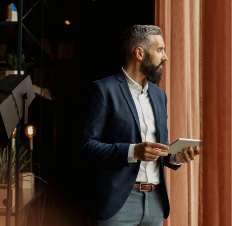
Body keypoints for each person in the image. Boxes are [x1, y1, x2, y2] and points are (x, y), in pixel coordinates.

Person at [78, 25, 200, 226]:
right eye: (160, 50)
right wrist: (133, 151)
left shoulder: (159, 95)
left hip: (155, 202)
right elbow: (86, 147)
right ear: (140, 53)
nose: (165, 57)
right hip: (117, 204)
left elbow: (160, 147)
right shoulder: (103, 90)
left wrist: (176, 157)